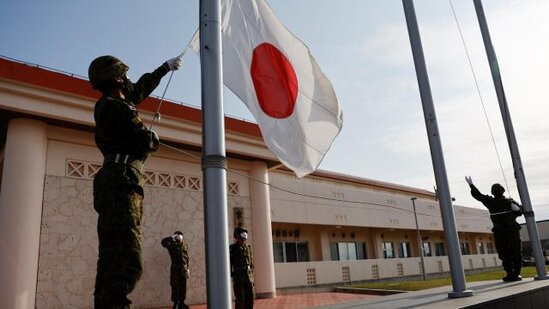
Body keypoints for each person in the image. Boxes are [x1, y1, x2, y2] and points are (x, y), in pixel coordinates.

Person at [89, 54, 182, 308]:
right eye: (125, 75)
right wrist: (153, 137)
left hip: (116, 181)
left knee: (112, 257)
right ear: (118, 78)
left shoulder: (111, 104)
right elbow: (145, 142)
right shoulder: (117, 107)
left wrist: (163, 69)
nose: (129, 80)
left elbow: (139, 88)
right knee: (127, 259)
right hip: (122, 182)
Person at [465, 176, 523, 282]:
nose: (497, 190)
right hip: (500, 231)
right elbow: (479, 196)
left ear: (503, 190)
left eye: (498, 188)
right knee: (503, 253)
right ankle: (510, 273)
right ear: (492, 192)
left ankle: (517, 274)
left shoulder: (510, 201)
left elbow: (519, 213)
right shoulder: (490, 201)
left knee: (516, 252)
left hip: (512, 230)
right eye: (494, 189)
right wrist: (471, 185)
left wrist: (518, 209)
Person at [161, 231, 190, 309]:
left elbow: (186, 258)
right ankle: (176, 304)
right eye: (178, 236)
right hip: (175, 269)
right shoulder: (172, 246)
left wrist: (187, 268)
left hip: (183, 269)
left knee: (183, 287)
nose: (179, 237)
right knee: (175, 286)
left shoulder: (185, 246)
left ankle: (182, 303)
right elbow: (163, 242)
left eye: (180, 235)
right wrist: (172, 237)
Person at [229, 227, 254, 309]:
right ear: (237, 236)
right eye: (242, 235)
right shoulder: (232, 248)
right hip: (238, 276)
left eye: (245, 236)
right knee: (240, 298)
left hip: (248, 275)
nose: (244, 239)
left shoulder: (248, 247)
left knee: (249, 297)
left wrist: (252, 276)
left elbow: (251, 262)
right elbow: (230, 263)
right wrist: (231, 275)